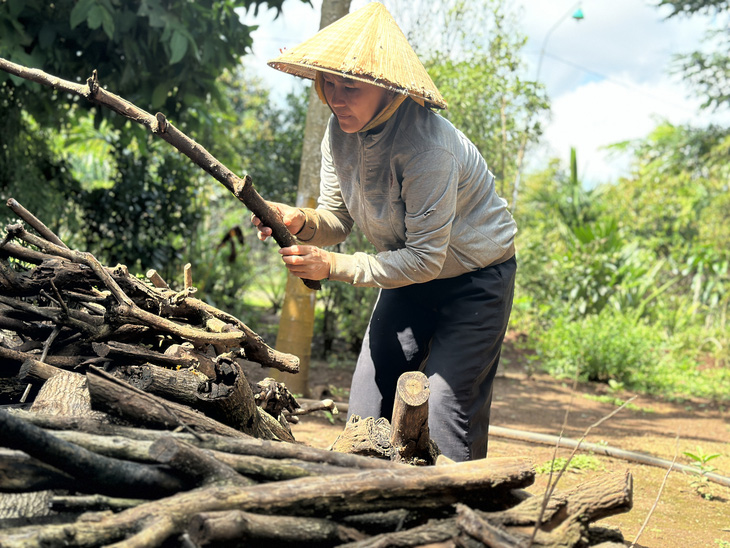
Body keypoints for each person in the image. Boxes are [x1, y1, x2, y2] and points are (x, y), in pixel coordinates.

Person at [253, 2, 517, 462]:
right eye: (328, 84)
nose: (337, 97)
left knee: (446, 409)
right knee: (367, 405)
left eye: (350, 86)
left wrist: (332, 266)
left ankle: (455, 518)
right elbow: (337, 220)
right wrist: (301, 221)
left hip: (476, 281)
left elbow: (425, 259)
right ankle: (364, 501)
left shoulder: (428, 148)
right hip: (406, 274)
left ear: (387, 90)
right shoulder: (338, 133)